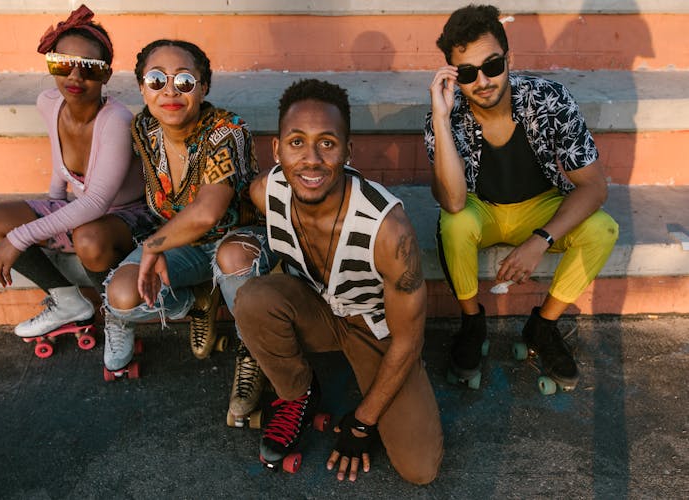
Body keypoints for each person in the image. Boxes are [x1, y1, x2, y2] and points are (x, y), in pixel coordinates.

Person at [234, 79, 443, 484]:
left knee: (420, 469)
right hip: (316, 307)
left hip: (374, 326)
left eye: (327, 143)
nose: (310, 159)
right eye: (296, 142)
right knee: (254, 299)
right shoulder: (266, 191)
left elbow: (408, 339)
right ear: (276, 150)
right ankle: (296, 395)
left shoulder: (388, 230)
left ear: (349, 151)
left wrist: (363, 422)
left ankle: (385, 394)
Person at [425, 4, 619, 390]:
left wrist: (541, 239)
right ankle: (472, 322)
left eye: (492, 65)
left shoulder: (549, 100)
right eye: (467, 72)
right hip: (482, 208)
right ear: (453, 76)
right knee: (454, 223)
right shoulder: (445, 115)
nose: (482, 81)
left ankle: (543, 327)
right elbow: (452, 202)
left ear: (508, 59)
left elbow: (594, 187)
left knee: (603, 229)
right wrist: (443, 121)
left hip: (541, 207)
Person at [102, 39, 275, 421]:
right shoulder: (143, 128)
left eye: (184, 80)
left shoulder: (225, 131)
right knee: (121, 297)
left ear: (204, 87)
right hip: (184, 246)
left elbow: (207, 211)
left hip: (240, 239)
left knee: (231, 256)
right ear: (142, 87)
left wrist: (153, 246)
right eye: (156, 79)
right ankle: (199, 297)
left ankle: (251, 354)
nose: (170, 91)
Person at [0, 5, 154, 341]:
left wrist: (21, 237)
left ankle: (117, 317)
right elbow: (60, 165)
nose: (74, 77)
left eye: (89, 68)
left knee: (87, 238)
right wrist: (53, 208)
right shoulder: (48, 102)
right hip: (81, 210)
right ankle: (67, 301)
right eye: (62, 64)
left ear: (106, 76)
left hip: (125, 217)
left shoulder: (116, 120)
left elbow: (97, 202)